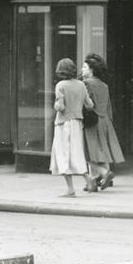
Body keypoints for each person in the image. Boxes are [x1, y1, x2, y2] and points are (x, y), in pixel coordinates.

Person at [50, 58, 95, 196]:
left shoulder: (60, 85)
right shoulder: (81, 85)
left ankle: (70, 189)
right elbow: (90, 105)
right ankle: (88, 179)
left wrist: (56, 105)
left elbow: (61, 106)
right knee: (76, 152)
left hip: (63, 123)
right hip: (77, 122)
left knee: (63, 154)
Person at [82, 53, 125, 190]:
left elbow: (87, 104)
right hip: (104, 120)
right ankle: (99, 180)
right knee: (102, 150)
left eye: (84, 67)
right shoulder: (104, 86)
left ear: (91, 70)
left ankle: (99, 177)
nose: (82, 70)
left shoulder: (86, 84)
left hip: (92, 121)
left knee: (89, 152)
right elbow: (108, 106)